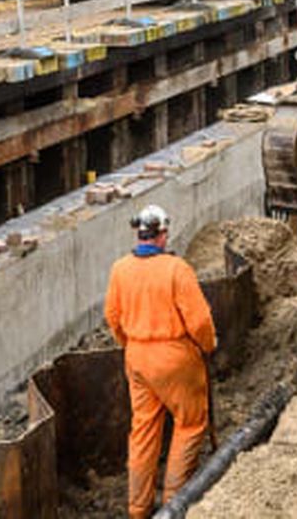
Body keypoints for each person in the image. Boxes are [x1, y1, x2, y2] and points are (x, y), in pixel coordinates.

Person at [104, 204, 217, 519]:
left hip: (137, 358)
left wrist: (131, 345)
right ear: (163, 234)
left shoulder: (120, 269)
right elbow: (199, 321)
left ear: (138, 232)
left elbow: (112, 318)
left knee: (143, 428)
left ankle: (138, 509)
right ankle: (172, 503)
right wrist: (207, 347)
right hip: (175, 357)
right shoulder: (176, 269)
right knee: (190, 423)